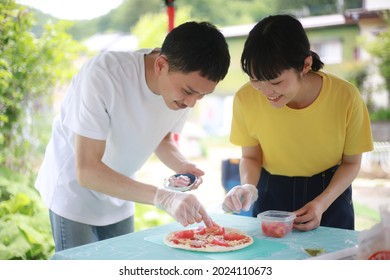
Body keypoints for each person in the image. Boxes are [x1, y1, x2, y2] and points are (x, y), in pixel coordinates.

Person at [35, 21, 230, 251]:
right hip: (75, 191)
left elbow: (162, 138)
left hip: (122, 188)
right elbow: (87, 171)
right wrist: (163, 197)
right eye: (188, 92)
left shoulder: (183, 92)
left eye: (202, 95)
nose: (191, 103)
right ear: (160, 65)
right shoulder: (104, 76)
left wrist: (182, 165)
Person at [222, 14, 373, 231]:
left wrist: (321, 203)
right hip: (270, 191)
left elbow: (351, 163)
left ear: (305, 65)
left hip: (329, 192)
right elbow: (250, 156)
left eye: (276, 81)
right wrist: (247, 186)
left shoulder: (346, 96)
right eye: (255, 79)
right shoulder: (245, 98)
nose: (265, 91)